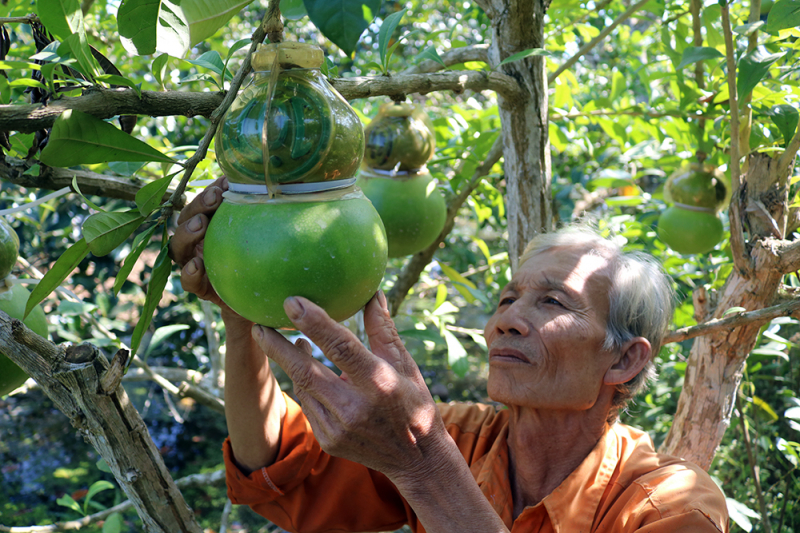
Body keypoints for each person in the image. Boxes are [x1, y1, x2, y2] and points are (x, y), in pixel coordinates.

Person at [170, 177, 729, 533]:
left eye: (553, 302)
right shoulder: (465, 441)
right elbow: (279, 465)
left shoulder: (672, 509)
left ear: (624, 361)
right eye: (508, 298)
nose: (505, 320)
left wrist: (422, 466)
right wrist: (240, 308)